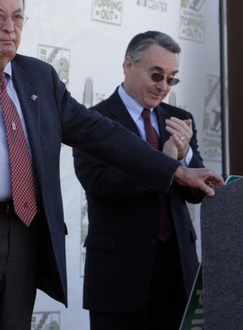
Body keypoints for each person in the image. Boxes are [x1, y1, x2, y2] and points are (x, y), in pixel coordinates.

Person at [0, 0, 222, 330]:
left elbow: (99, 132)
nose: (10, 28)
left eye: (18, 17)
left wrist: (176, 171)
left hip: (27, 236)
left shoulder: (39, 78)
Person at [73, 31, 205, 330]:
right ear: (128, 65)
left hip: (177, 272)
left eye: (172, 79)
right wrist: (164, 161)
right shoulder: (94, 120)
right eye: (156, 75)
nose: (163, 87)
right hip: (119, 275)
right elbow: (101, 186)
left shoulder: (179, 118)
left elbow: (196, 194)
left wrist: (184, 157)